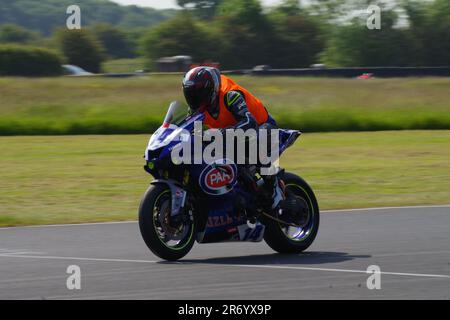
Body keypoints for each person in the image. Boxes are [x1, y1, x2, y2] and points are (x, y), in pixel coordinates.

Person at [181, 66, 284, 214]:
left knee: (251, 138)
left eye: (198, 94)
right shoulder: (196, 109)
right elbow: (192, 131)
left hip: (264, 127)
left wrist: (221, 133)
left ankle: (273, 183)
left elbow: (249, 122)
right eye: (190, 94)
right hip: (232, 134)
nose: (194, 99)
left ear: (211, 89)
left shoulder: (230, 95)